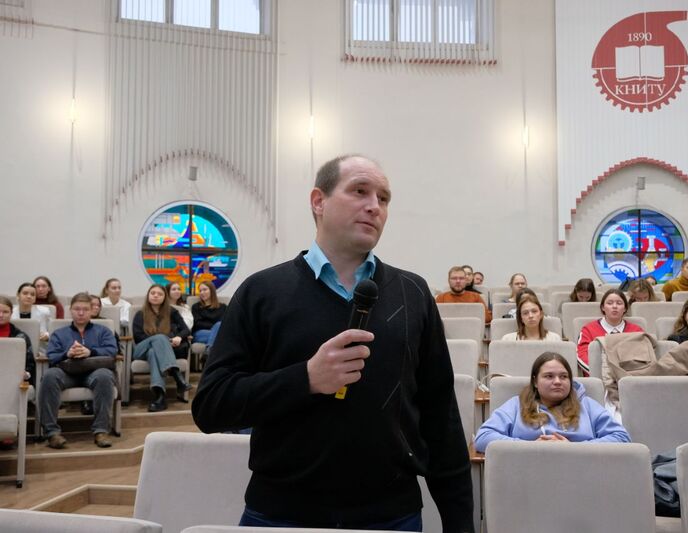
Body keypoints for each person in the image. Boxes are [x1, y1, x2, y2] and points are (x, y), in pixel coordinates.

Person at [192, 155, 473, 532]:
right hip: (280, 514)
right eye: (360, 191)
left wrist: (459, 523)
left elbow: (441, 418)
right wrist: (306, 378)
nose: (374, 206)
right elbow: (212, 406)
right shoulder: (261, 291)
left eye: (383, 198)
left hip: (391, 515)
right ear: (318, 201)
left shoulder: (413, 293)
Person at [474, 352, 630, 452]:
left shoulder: (587, 405)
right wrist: (530, 447)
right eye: (549, 376)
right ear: (535, 381)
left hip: (579, 470)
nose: (557, 381)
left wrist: (573, 448)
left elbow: (621, 437)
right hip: (527, 471)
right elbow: (483, 438)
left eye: (564, 377)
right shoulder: (516, 405)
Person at [39, 293, 118, 449]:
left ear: (91, 311)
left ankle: (101, 431)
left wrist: (90, 352)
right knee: (49, 375)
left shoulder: (103, 331)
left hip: (93, 372)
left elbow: (112, 351)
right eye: (77, 309)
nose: (81, 313)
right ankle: (52, 433)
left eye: (85, 309)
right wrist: (66, 354)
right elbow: (52, 355)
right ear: (71, 310)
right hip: (66, 373)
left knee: (104, 375)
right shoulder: (59, 333)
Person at [132, 284, 192, 412]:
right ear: (148, 295)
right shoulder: (140, 314)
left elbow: (186, 330)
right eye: (153, 293)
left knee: (153, 352)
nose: (155, 296)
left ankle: (160, 397)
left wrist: (179, 337)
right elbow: (138, 337)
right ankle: (176, 375)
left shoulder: (172, 312)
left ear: (165, 297)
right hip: (141, 350)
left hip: (158, 352)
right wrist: (162, 341)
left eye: (160, 294)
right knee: (159, 338)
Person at [576, 289, 643, 375]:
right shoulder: (588, 330)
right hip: (598, 378)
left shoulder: (636, 330)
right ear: (603, 307)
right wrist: (603, 373)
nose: (614, 306)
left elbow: (642, 357)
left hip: (630, 378)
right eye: (610, 303)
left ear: (625, 308)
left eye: (619, 303)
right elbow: (581, 356)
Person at [0, 296, 35, 384]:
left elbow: (30, 364)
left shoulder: (21, 337)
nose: (1, 315)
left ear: (11, 313)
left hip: (11, 378)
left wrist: (26, 374)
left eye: (5, 312)